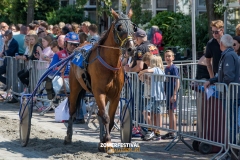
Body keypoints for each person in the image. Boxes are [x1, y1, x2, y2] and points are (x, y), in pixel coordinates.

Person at [204, 35, 240, 155]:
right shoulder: (228, 55)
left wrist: (220, 85)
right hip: (229, 94)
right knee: (231, 122)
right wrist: (212, 80)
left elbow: (228, 77)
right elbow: (222, 75)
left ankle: (231, 150)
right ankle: (231, 149)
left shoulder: (229, 55)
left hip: (230, 95)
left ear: (221, 44)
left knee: (232, 122)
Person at [138, 53, 164, 141]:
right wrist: (144, 78)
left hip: (156, 96)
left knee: (145, 111)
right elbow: (151, 82)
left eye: (150, 63)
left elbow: (148, 71)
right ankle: (156, 132)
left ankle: (151, 130)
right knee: (154, 113)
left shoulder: (157, 69)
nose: (148, 65)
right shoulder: (158, 71)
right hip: (156, 95)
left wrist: (142, 72)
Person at [162, 50, 180, 139]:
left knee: (172, 112)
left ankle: (174, 132)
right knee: (169, 112)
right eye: (166, 56)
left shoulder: (174, 68)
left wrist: (175, 93)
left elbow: (177, 81)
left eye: (169, 56)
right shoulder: (166, 68)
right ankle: (170, 131)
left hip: (172, 92)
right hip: (167, 93)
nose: (168, 58)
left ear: (173, 57)